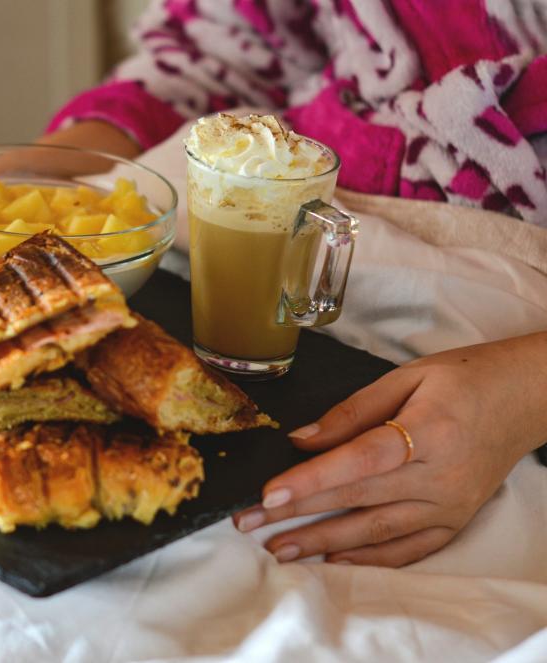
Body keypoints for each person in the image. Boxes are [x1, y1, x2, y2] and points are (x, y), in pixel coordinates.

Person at [39, 0, 547, 567]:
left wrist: (526, 391)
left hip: (503, 354)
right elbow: (224, 47)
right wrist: (45, 167)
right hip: (245, 227)